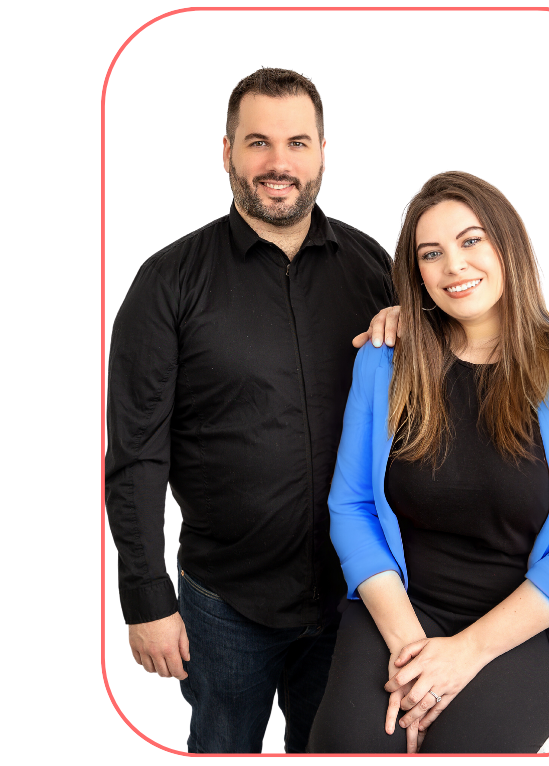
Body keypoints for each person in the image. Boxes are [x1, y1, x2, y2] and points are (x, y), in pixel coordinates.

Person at [104, 68, 399, 753]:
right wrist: (146, 600)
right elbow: (137, 454)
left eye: (297, 142)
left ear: (323, 150)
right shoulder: (167, 283)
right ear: (228, 152)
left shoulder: (372, 270)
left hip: (355, 597)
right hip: (224, 604)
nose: (278, 163)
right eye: (257, 142)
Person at [306, 172, 549, 754]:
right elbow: (350, 505)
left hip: (535, 620)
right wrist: (412, 651)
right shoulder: (386, 359)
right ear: (417, 274)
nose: (453, 265)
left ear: (508, 244)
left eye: (471, 241)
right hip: (406, 604)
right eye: (431, 254)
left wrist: (464, 655)